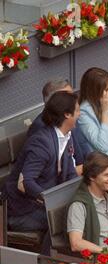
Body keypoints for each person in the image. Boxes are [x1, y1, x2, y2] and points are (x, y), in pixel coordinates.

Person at [4, 91, 80, 255]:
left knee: (79, 210)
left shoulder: (66, 136)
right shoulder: (42, 143)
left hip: (43, 205)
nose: (79, 114)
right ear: (67, 114)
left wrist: (79, 193)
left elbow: (70, 175)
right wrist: (50, 201)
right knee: (62, 218)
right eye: (78, 111)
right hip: (23, 211)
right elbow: (27, 181)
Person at [27, 79, 86, 175]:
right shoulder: (40, 127)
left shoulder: (71, 116)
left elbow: (80, 150)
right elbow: (48, 173)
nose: (72, 101)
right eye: (66, 97)